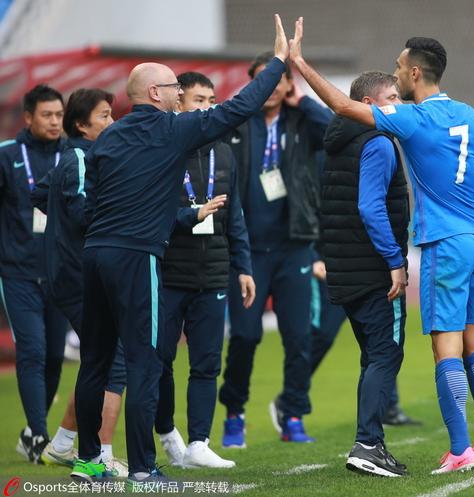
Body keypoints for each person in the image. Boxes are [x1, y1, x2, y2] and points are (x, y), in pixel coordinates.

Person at [287, 20, 474, 474]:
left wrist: (297, 62)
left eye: (399, 67)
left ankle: (459, 450)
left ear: (415, 74)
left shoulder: (415, 117)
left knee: (445, 348)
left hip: (446, 245)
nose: (395, 73)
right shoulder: (472, 114)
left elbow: (340, 104)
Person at [71, 15, 290, 483]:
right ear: (155, 94)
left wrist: (186, 217)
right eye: (172, 86)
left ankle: (88, 461)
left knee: (94, 361)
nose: (177, 93)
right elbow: (238, 109)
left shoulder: (109, 138)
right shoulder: (171, 130)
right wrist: (277, 62)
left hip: (96, 256)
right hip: (135, 260)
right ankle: (144, 469)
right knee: (145, 361)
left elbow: (94, 206)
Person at [218, 50, 332, 447]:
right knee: (246, 336)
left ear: (287, 84)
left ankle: (294, 414)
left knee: (299, 337)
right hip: (247, 252)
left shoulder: (303, 119)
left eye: (277, 78)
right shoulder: (236, 123)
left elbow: (336, 130)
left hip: (294, 247)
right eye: (261, 79)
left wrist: (304, 99)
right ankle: (234, 413)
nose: (270, 86)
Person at [155, 71, 255, 470]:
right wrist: (189, 214)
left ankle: (199, 442)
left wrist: (243, 266)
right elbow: (151, 215)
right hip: (168, 273)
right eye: (199, 101)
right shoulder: (163, 149)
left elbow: (236, 216)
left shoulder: (225, 153)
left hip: (212, 274)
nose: (208, 108)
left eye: (212, 101)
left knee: (206, 364)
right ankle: (166, 430)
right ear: (178, 103)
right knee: (159, 361)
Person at [30, 88, 128, 476]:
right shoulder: (80, 159)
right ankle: (100, 455)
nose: (112, 122)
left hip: (73, 273)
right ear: (82, 125)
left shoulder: (76, 158)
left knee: (98, 359)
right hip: (80, 277)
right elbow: (87, 214)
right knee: (111, 363)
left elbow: (41, 193)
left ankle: (64, 445)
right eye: (104, 115)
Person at [320, 71, 410, 477]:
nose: (399, 104)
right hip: (374, 270)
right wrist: (395, 261)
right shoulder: (378, 142)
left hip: (345, 266)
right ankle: (368, 444)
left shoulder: (340, 138)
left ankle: (372, 443)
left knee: (373, 356)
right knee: (386, 354)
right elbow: (370, 207)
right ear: (370, 105)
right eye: (392, 97)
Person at [0, 84, 67, 464]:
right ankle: (39, 434)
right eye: (47, 115)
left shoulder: (73, 155)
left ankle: (29, 433)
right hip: (18, 273)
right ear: (28, 118)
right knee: (33, 352)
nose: (55, 121)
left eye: (59, 115)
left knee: (55, 357)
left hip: (60, 274)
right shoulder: (7, 156)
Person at [309, 258, 421, 427]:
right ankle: (292, 396)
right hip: (342, 273)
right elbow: (382, 235)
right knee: (380, 351)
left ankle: (388, 409)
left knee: (380, 349)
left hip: (361, 271)